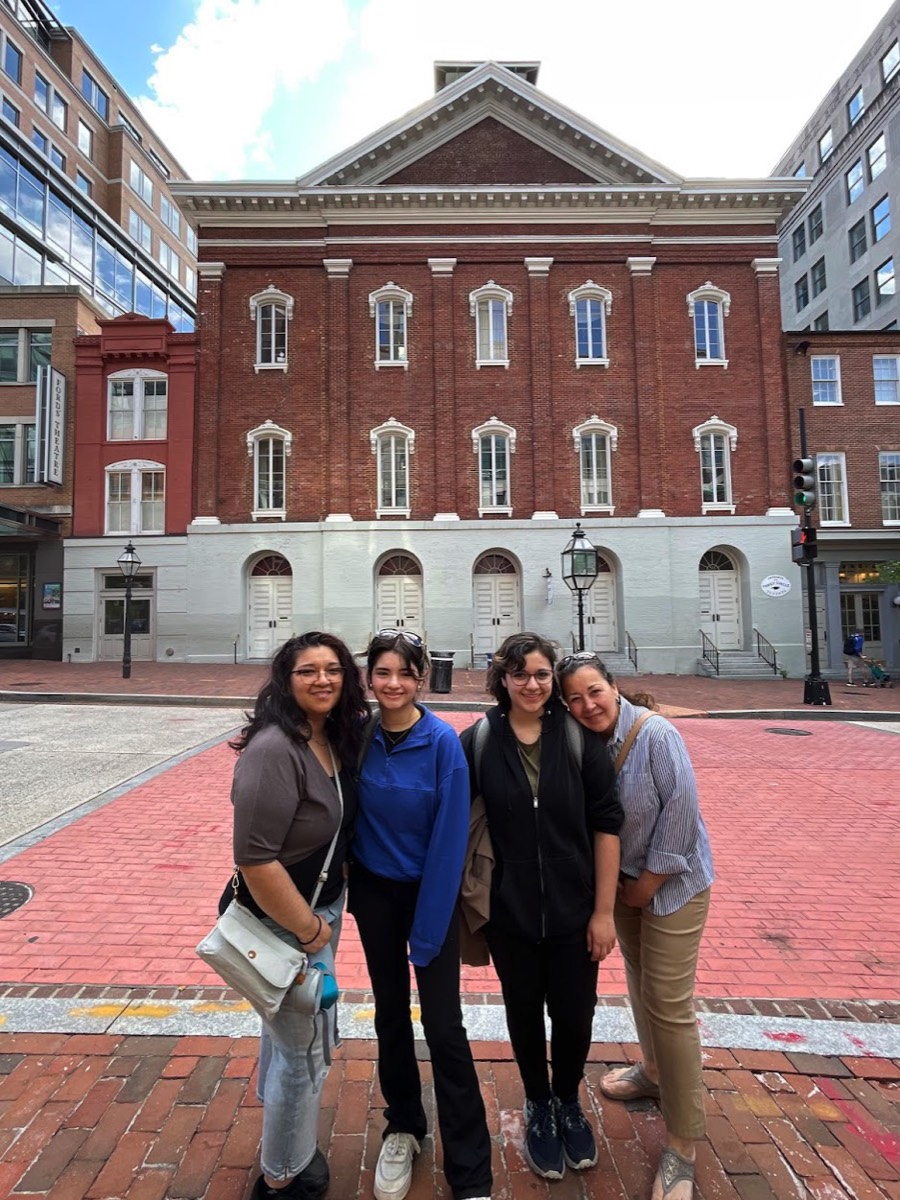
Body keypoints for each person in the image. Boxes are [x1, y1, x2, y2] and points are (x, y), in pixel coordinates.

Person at [460, 632, 622, 1182]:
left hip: (576, 911)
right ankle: (537, 1103)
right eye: (520, 674)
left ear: (553, 680)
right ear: (502, 678)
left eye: (542, 675)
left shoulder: (577, 738)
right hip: (511, 913)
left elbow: (606, 825)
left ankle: (567, 1098)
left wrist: (604, 912)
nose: (532, 684)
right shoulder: (478, 741)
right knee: (524, 1014)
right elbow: (455, 821)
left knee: (575, 1016)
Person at [556, 652, 714, 1200]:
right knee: (640, 985)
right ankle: (652, 1071)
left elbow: (681, 818)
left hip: (672, 885)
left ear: (614, 686)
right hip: (620, 885)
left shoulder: (656, 735)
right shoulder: (579, 740)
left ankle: (683, 1145)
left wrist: (643, 887)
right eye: (574, 698)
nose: (587, 705)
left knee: (669, 1004)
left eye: (594, 691)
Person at [224, 632, 368, 1200]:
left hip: (313, 912)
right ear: (285, 680)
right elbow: (255, 859)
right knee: (302, 1049)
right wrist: (312, 934)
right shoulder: (274, 750)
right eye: (307, 671)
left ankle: (278, 1121)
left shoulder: (327, 738)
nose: (323, 680)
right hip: (290, 921)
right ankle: (283, 1173)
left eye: (333, 669)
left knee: (287, 1033)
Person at [349, 629, 492, 1200]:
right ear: (370, 677)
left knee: (444, 1026)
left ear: (421, 678)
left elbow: (450, 840)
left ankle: (470, 1166)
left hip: (429, 894)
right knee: (389, 1013)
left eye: (404, 674)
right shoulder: (358, 736)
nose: (393, 684)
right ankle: (404, 1122)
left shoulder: (440, 744)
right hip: (375, 897)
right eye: (383, 673)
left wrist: (430, 931)